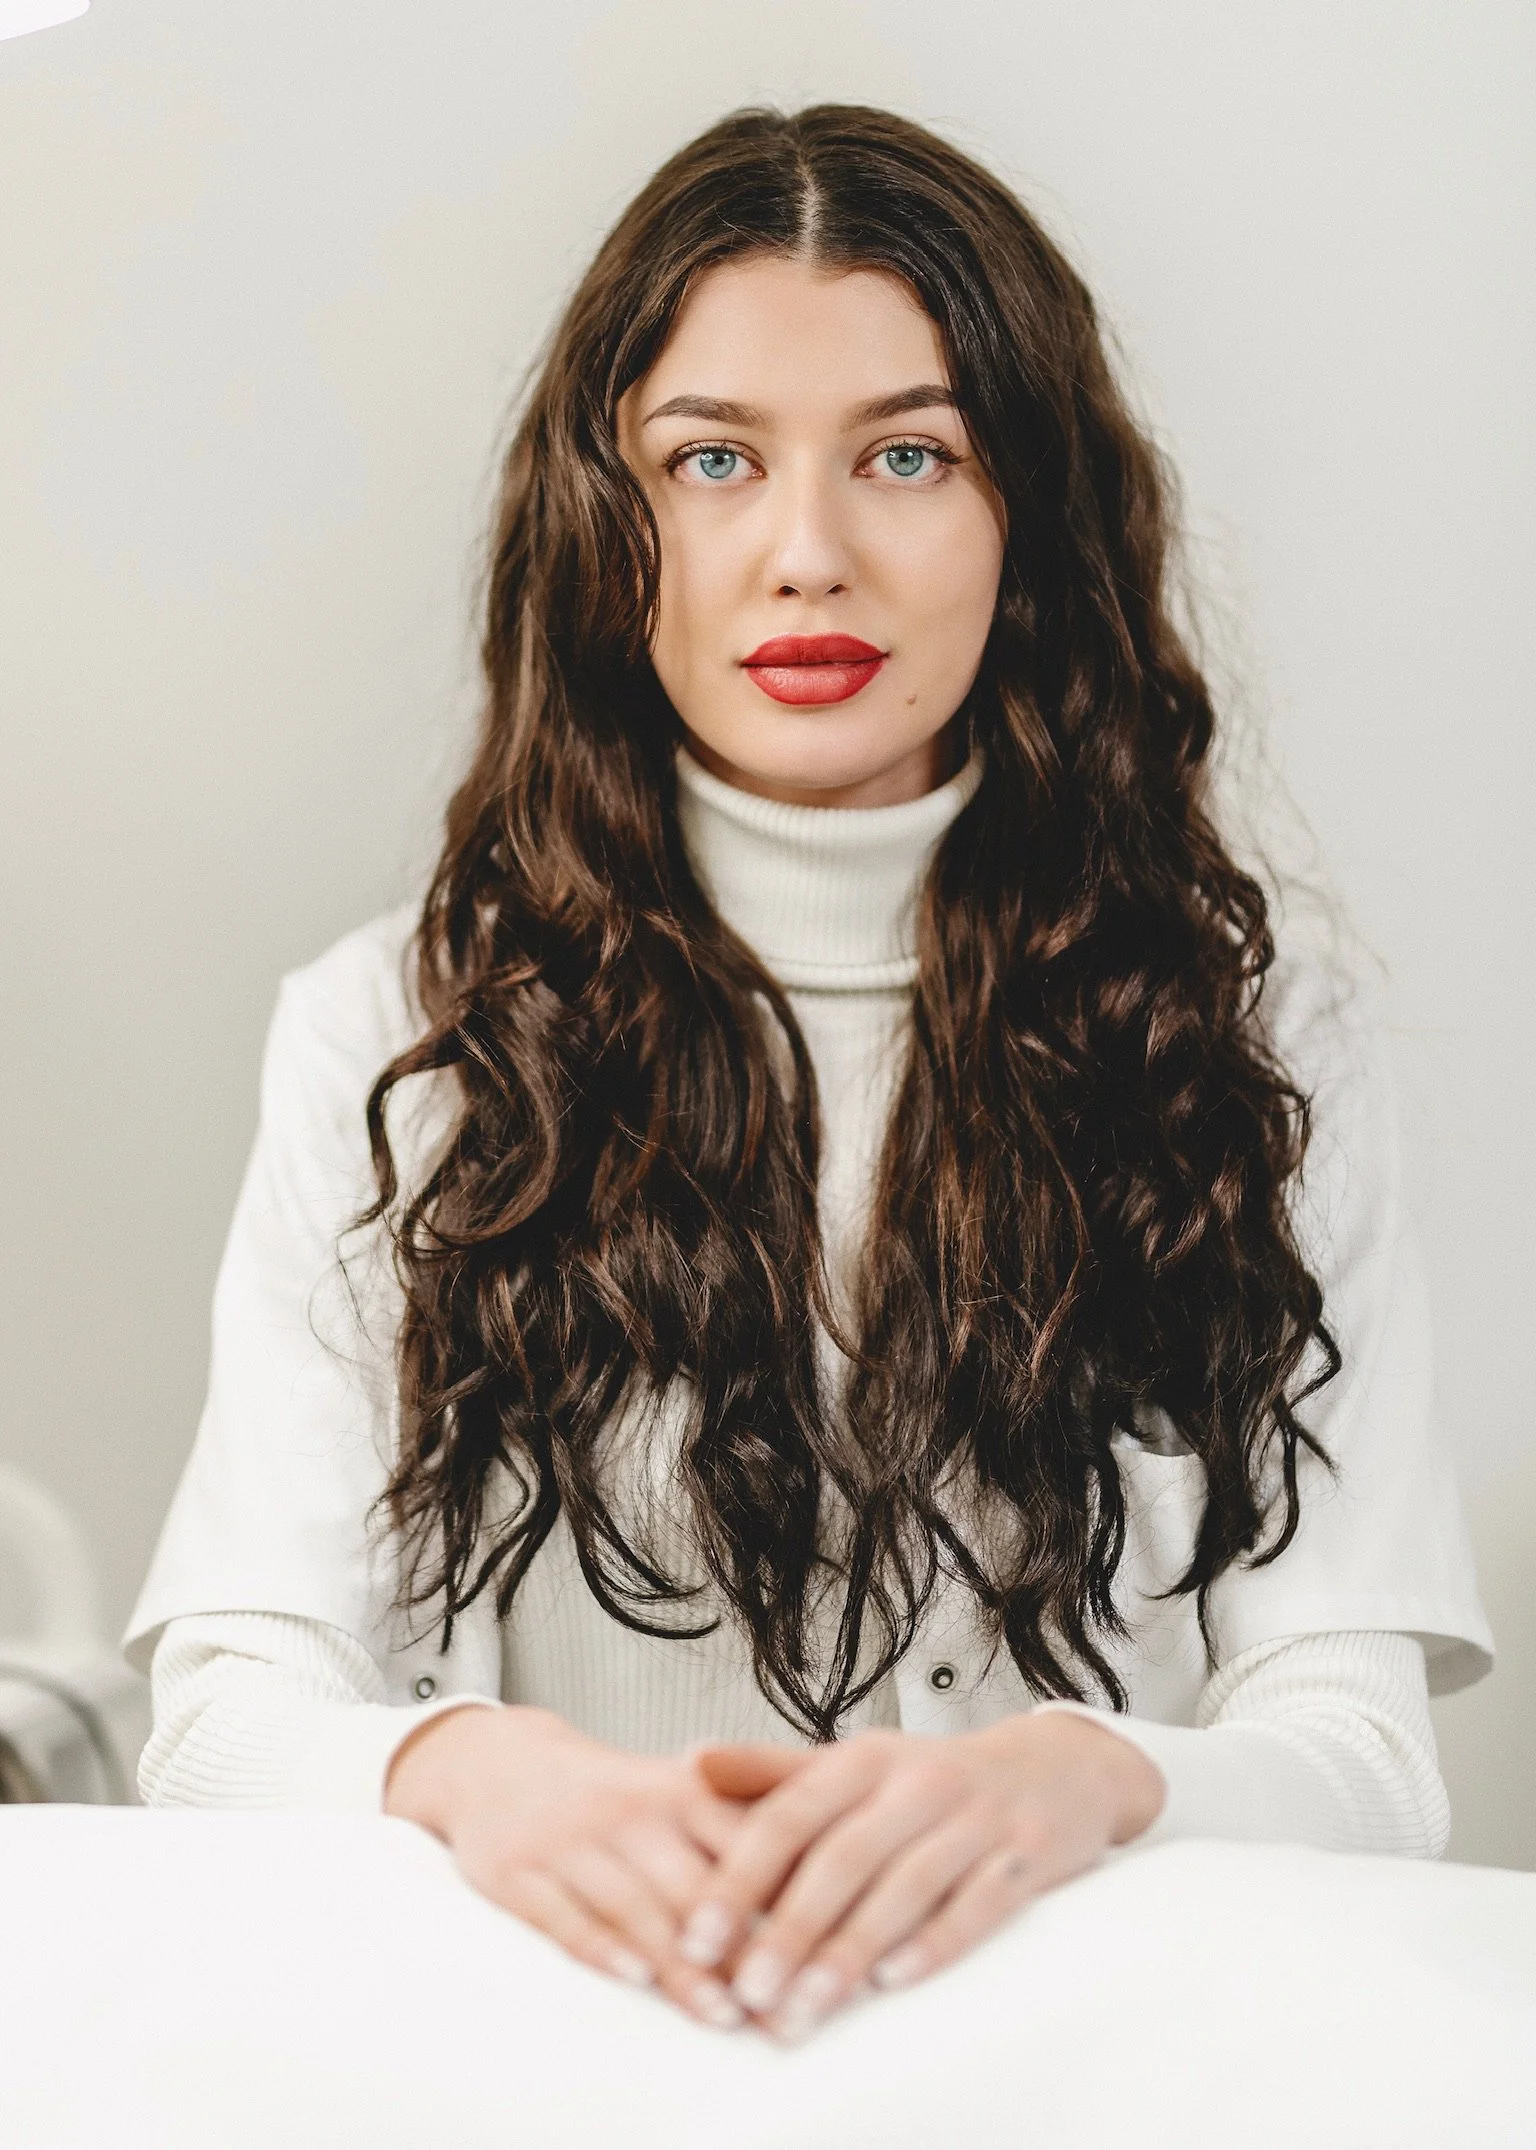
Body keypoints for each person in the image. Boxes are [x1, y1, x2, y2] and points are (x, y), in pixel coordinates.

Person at [128, 104, 1491, 2046]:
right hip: (556, 2059)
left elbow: (1365, 1754)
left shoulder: (1259, 1044)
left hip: (1075, 2061)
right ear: (606, 525)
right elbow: (225, 1717)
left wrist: (1086, 1780)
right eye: (713, 460)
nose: (807, 555)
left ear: (1031, 516)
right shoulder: (397, 1031)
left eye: (908, 455)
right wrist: (480, 1775)